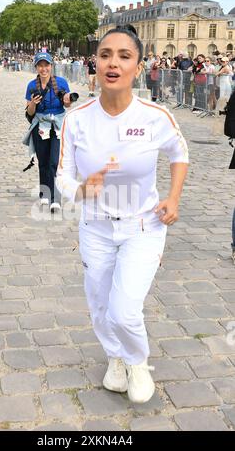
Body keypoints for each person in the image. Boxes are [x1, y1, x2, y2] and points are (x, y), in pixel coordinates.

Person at [57, 24, 188, 404]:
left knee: (124, 308)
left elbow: (180, 154)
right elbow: (61, 175)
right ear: (95, 63)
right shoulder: (77, 118)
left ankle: (137, 361)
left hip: (143, 226)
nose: (113, 63)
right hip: (95, 228)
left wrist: (174, 198)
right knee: (100, 306)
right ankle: (115, 358)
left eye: (124, 56)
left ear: (138, 66)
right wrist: (81, 190)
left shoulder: (155, 116)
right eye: (105, 55)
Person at [24, 52, 72, 212]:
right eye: (40, 65)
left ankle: (55, 198)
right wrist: (32, 103)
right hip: (40, 126)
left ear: (51, 66)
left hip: (58, 125)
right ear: (36, 67)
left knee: (54, 163)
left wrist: (67, 100)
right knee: (43, 162)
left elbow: (67, 106)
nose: (43, 68)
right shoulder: (31, 85)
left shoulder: (61, 82)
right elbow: (30, 113)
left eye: (46, 65)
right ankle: (44, 193)